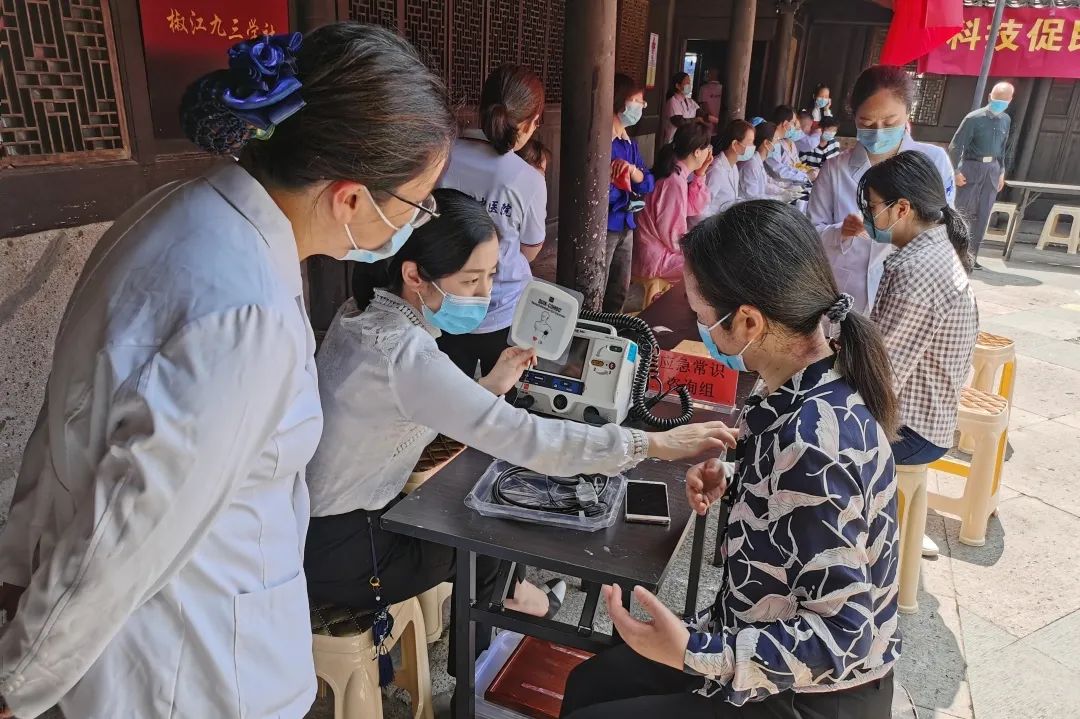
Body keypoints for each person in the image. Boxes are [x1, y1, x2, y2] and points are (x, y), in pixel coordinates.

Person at [0, 24, 455, 719]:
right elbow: (126, 532)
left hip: (177, 640)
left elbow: (63, 420)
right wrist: (18, 680)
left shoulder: (171, 212)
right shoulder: (248, 312)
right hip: (193, 669)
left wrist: (15, 569)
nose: (413, 223)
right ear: (350, 197)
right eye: (417, 203)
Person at [304, 188, 738, 664]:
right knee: (486, 531)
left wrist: (490, 386)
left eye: (492, 275)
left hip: (315, 529)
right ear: (414, 275)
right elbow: (528, 438)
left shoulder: (360, 315)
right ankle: (485, 655)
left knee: (477, 508)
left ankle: (508, 608)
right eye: (471, 280)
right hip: (348, 552)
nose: (485, 294)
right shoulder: (405, 355)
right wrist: (652, 443)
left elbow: (409, 408)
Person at [561, 200, 900, 719]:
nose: (699, 327)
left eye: (701, 317)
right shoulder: (808, 383)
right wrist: (742, 479)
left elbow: (844, 635)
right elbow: (805, 504)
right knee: (592, 683)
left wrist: (693, 652)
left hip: (805, 693)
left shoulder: (811, 441)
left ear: (747, 321)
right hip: (753, 636)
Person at [859, 151, 979, 465]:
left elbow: (881, 372)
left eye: (871, 207)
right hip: (918, 418)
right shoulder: (930, 250)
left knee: (805, 435)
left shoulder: (918, 269)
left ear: (902, 208)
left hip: (911, 430)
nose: (866, 216)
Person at [808, 65, 955, 314]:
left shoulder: (933, 161)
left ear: (908, 112)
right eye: (866, 122)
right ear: (854, 117)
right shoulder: (835, 169)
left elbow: (946, 229)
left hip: (911, 291)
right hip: (846, 291)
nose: (878, 132)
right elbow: (812, 233)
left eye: (889, 122)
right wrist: (841, 231)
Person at [438, 64, 547, 379]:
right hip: (502, 308)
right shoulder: (527, 178)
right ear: (531, 122)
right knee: (501, 394)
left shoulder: (442, 155)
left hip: (444, 299)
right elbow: (530, 250)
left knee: (448, 392)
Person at [632, 123, 712, 281]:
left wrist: (700, 175)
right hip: (655, 256)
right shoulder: (674, 180)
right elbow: (671, 234)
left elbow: (692, 208)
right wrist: (692, 248)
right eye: (708, 147)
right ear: (697, 152)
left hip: (659, 248)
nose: (709, 151)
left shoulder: (676, 172)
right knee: (705, 267)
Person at [949, 81, 1015, 269]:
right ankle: (954, 255)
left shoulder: (1005, 120)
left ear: (1010, 100)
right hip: (971, 167)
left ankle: (971, 256)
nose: (1000, 104)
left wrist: (1001, 171)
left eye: (1004, 101)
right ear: (989, 97)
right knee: (962, 212)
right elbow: (956, 146)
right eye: (997, 99)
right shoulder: (973, 118)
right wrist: (955, 171)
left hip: (992, 169)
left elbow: (1003, 148)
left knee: (983, 214)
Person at [606, 73, 656, 313]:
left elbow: (648, 183)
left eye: (641, 102)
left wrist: (633, 172)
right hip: (606, 225)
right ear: (619, 100)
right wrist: (621, 184)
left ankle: (612, 328)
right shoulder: (602, 142)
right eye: (635, 101)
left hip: (626, 224)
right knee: (597, 286)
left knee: (619, 289)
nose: (640, 107)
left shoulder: (629, 144)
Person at [690, 119, 754, 225]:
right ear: (735, 144)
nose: (753, 146)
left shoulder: (733, 167)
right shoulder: (716, 170)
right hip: (709, 228)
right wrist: (717, 227)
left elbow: (731, 200)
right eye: (750, 142)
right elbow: (699, 212)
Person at [738, 121, 788, 201]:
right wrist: (779, 198)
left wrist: (783, 191)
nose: (778, 143)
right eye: (777, 139)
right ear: (766, 143)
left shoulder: (758, 161)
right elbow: (753, 198)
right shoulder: (751, 164)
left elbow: (765, 185)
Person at [661, 72, 713, 144]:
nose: (689, 86)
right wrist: (697, 119)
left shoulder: (690, 101)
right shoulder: (672, 101)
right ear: (678, 86)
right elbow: (679, 122)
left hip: (687, 141)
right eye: (687, 83)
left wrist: (716, 120)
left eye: (690, 83)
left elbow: (702, 114)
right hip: (673, 141)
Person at [765, 105, 811, 185]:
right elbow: (778, 171)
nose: (794, 127)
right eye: (793, 123)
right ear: (785, 124)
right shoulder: (771, 142)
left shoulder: (778, 140)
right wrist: (805, 177)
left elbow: (794, 166)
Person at [697, 68, 724, 135]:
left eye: (708, 73)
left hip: (708, 121)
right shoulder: (722, 88)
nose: (706, 74)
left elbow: (704, 106)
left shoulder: (703, 88)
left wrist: (713, 120)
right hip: (720, 122)